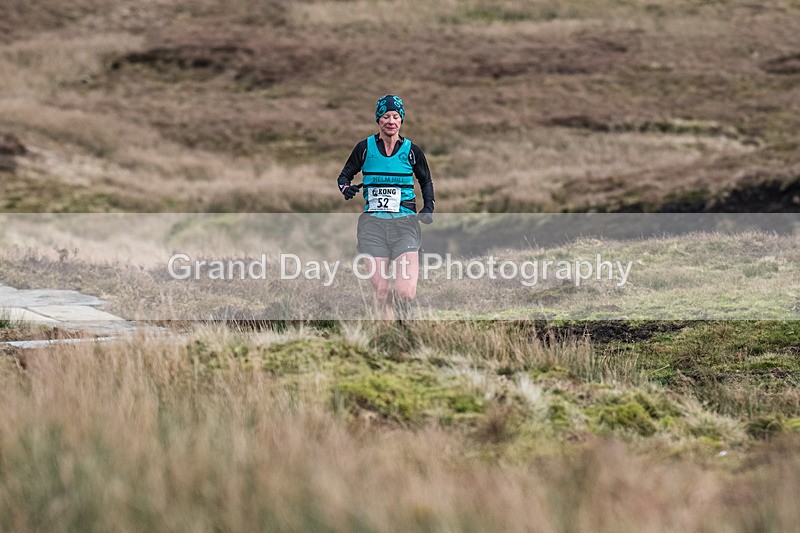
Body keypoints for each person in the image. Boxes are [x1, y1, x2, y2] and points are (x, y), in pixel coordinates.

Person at [337, 94, 435, 320]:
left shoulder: (412, 151)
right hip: (372, 227)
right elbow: (344, 176)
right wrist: (346, 189)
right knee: (381, 292)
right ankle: (390, 334)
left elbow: (426, 180)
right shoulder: (364, 148)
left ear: (401, 120)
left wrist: (428, 207)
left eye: (395, 116)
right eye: (385, 116)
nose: (391, 121)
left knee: (405, 293)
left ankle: (405, 323)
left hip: (405, 226)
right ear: (378, 120)